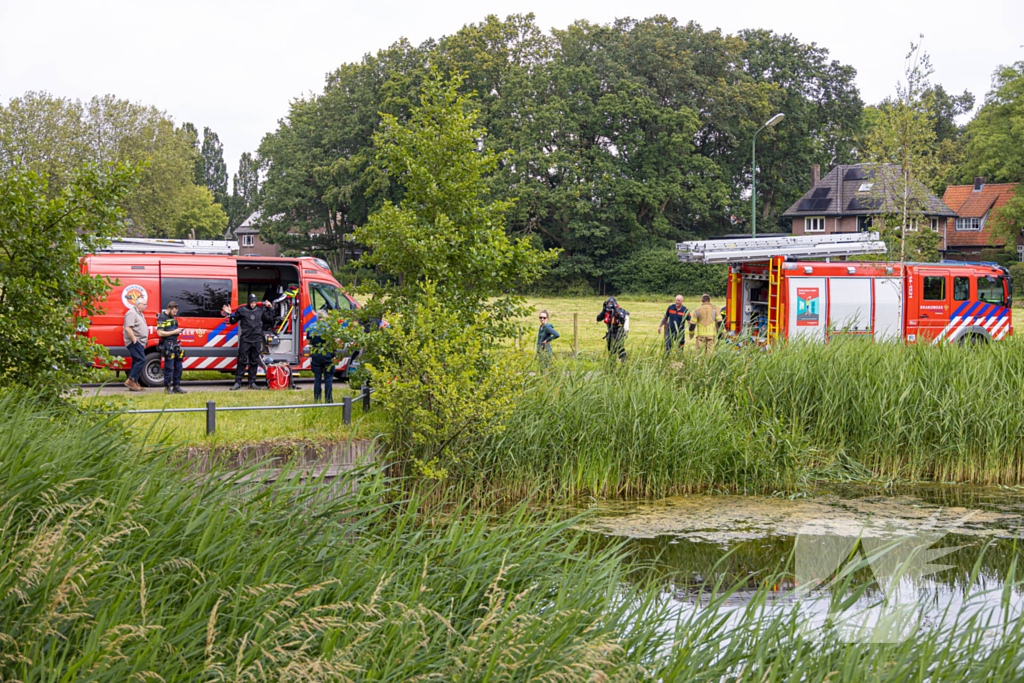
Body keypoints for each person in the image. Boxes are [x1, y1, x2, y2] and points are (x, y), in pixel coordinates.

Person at [221, 293, 275, 390]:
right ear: (248, 302)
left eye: (254, 302)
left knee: (254, 361)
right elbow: (233, 321)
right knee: (242, 360)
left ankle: (252, 382)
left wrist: (270, 308)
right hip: (245, 339)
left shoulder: (260, 311)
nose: (253, 304)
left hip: (257, 339)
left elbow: (270, 320)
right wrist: (229, 314)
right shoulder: (242, 311)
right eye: (251, 302)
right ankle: (238, 382)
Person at [156, 301, 187, 394]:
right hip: (167, 345)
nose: (175, 313)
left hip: (175, 344)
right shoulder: (162, 318)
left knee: (179, 367)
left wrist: (178, 331)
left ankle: (176, 387)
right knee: (169, 367)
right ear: (169, 309)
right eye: (174, 311)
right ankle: (167, 388)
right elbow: (160, 332)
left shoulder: (172, 317)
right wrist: (174, 332)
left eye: (176, 312)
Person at [306, 315, 335, 403]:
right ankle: (328, 400)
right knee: (328, 378)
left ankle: (317, 400)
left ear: (317, 318)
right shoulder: (330, 327)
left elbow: (308, 342)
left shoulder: (311, 326)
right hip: (327, 354)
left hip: (316, 354)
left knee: (317, 378)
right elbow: (335, 340)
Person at [122, 297, 148, 392]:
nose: (146, 306)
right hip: (134, 342)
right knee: (141, 359)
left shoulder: (139, 314)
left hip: (139, 342)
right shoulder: (132, 313)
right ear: (138, 304)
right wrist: (134, 341)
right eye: (144, 304)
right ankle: (131, 380)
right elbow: (128, 328)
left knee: (136, 360)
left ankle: (134, 383)